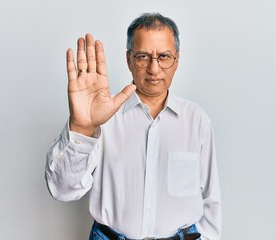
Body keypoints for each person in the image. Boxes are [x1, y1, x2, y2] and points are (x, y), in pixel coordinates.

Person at [45, 13, 221, 240]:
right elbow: (62, 190)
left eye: (164, 56)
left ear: (177, 59)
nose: (154, 69)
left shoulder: (197, 120)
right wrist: (82, 128)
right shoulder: (103, 117)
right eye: (143, 56)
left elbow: (210, 199)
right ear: (129, 60)